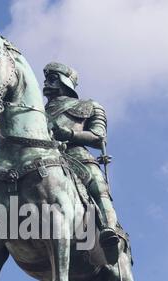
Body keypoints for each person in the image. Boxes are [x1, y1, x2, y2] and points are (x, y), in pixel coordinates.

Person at [43, 62, 119, 254]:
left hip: (76, 156)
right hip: (41, 157)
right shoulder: (35, 112)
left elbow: (99, 137)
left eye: (52, 78)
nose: (46, 82)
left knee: (97, 185)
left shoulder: (90, 106)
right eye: (46, 78)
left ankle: (108, 228)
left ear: (65, 82)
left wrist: (69, 134)